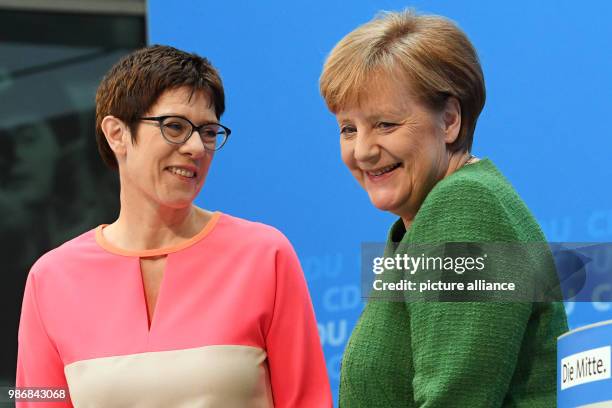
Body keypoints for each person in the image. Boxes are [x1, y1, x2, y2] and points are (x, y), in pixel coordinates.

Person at [16, 45, 332, 407]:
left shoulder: (264, 255)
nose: (197, 147)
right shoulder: (51, 278)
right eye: (175, 127)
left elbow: (308, 400)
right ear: (117, 133)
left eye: (209, 131)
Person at [319, 10, 568, 407]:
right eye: (348, 128)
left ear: (449, 120)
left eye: (385, 124)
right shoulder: (431, 217)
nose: (362, 151)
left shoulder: (466, 206)